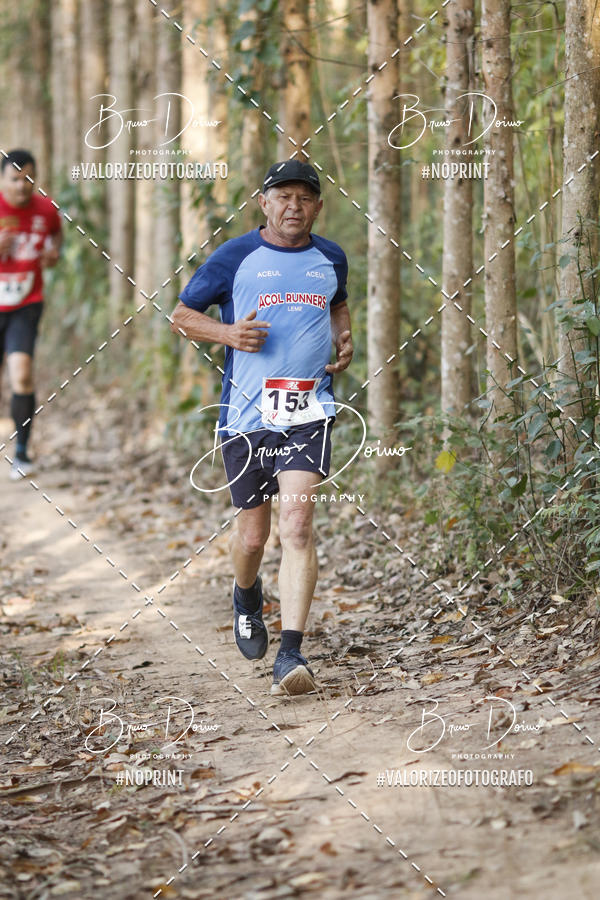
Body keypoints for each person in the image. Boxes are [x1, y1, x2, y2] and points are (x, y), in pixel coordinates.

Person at [171, 160, 353, 696]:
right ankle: (246, 595)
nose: (293, 206)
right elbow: (181, 315)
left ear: (317, 207)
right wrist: (226, 332)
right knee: (254, 534)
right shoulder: (235, 256)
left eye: (304, 198)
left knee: (296, 526)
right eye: (283, 197)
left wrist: (345, 341)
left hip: (308, 408)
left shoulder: (331, 258)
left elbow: (338, 307)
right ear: (264, 202)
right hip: (246, 415)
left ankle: (291, 652)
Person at [0, 149, 62, 479]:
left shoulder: (46, 210)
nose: (22, 187)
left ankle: (22, 452)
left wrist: (53, 256)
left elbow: (56, 243)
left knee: (21, 374)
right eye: (14, 179)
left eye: (28, 179)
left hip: (26, 301)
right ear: (2, 179)